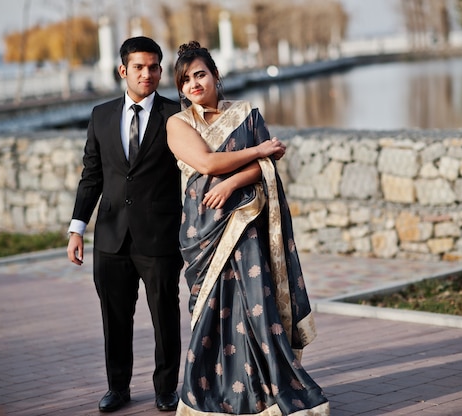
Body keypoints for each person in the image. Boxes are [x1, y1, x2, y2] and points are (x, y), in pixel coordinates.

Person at [167, 41, 330, 415]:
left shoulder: (246, 114)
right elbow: (207, 163)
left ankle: (266, 390)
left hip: (246, 223)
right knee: (211, 309)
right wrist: (258, 151)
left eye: (200, 75)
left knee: (256, 304)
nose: (194, 84)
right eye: (185, 80)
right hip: (203, 233)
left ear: (215, 76)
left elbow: (268, 167)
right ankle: (208, 393)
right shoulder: (178, 124)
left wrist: (232, 183)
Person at [67, 36, 183, 413]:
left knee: (165, 316)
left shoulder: (176, 114)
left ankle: (166, 388)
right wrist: (77, 228)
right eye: (139, 67)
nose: (147, 73)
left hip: (159, 236)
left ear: (161, 70)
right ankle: (118, 388)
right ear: (123, 71)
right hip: (111, 237)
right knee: (114, 318)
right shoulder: (101, 115)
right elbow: (92, 176)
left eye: (153, 67)